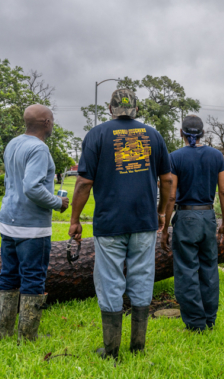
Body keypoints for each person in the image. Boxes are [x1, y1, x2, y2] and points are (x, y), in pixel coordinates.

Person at [68, 89, 173, 359]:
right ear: (136, 109)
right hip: (144, 221)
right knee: (142, 278)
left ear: (110, 108)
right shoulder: (154, 135)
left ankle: (111, 350)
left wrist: (75, 219)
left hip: (109, 221)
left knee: (110, 280)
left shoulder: (96, 135)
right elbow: (168, 181)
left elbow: (83, 182)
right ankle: (137, 346)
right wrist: (161, 212)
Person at [0, 104, 69, 342]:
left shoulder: (13, 143)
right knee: (33, 278)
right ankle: (27, 338)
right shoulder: (39, 149)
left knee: (8, 275)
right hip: (32, 227)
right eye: (53, 119)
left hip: (8, 221)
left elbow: (11, 182)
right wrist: (58, 202)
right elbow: (32, 187)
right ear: (46, 122)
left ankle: (3, 333)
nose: (53, 123)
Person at [160, 114, 224, 332]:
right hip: (208, 217)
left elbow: (171, 196)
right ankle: (210, 318)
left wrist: (165, 227)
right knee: (209, 268)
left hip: (186, 217)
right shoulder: (216, 156)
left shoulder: (175, 157)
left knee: (186, 270)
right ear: (202, 134)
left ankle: (195, 323)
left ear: (181, 133)